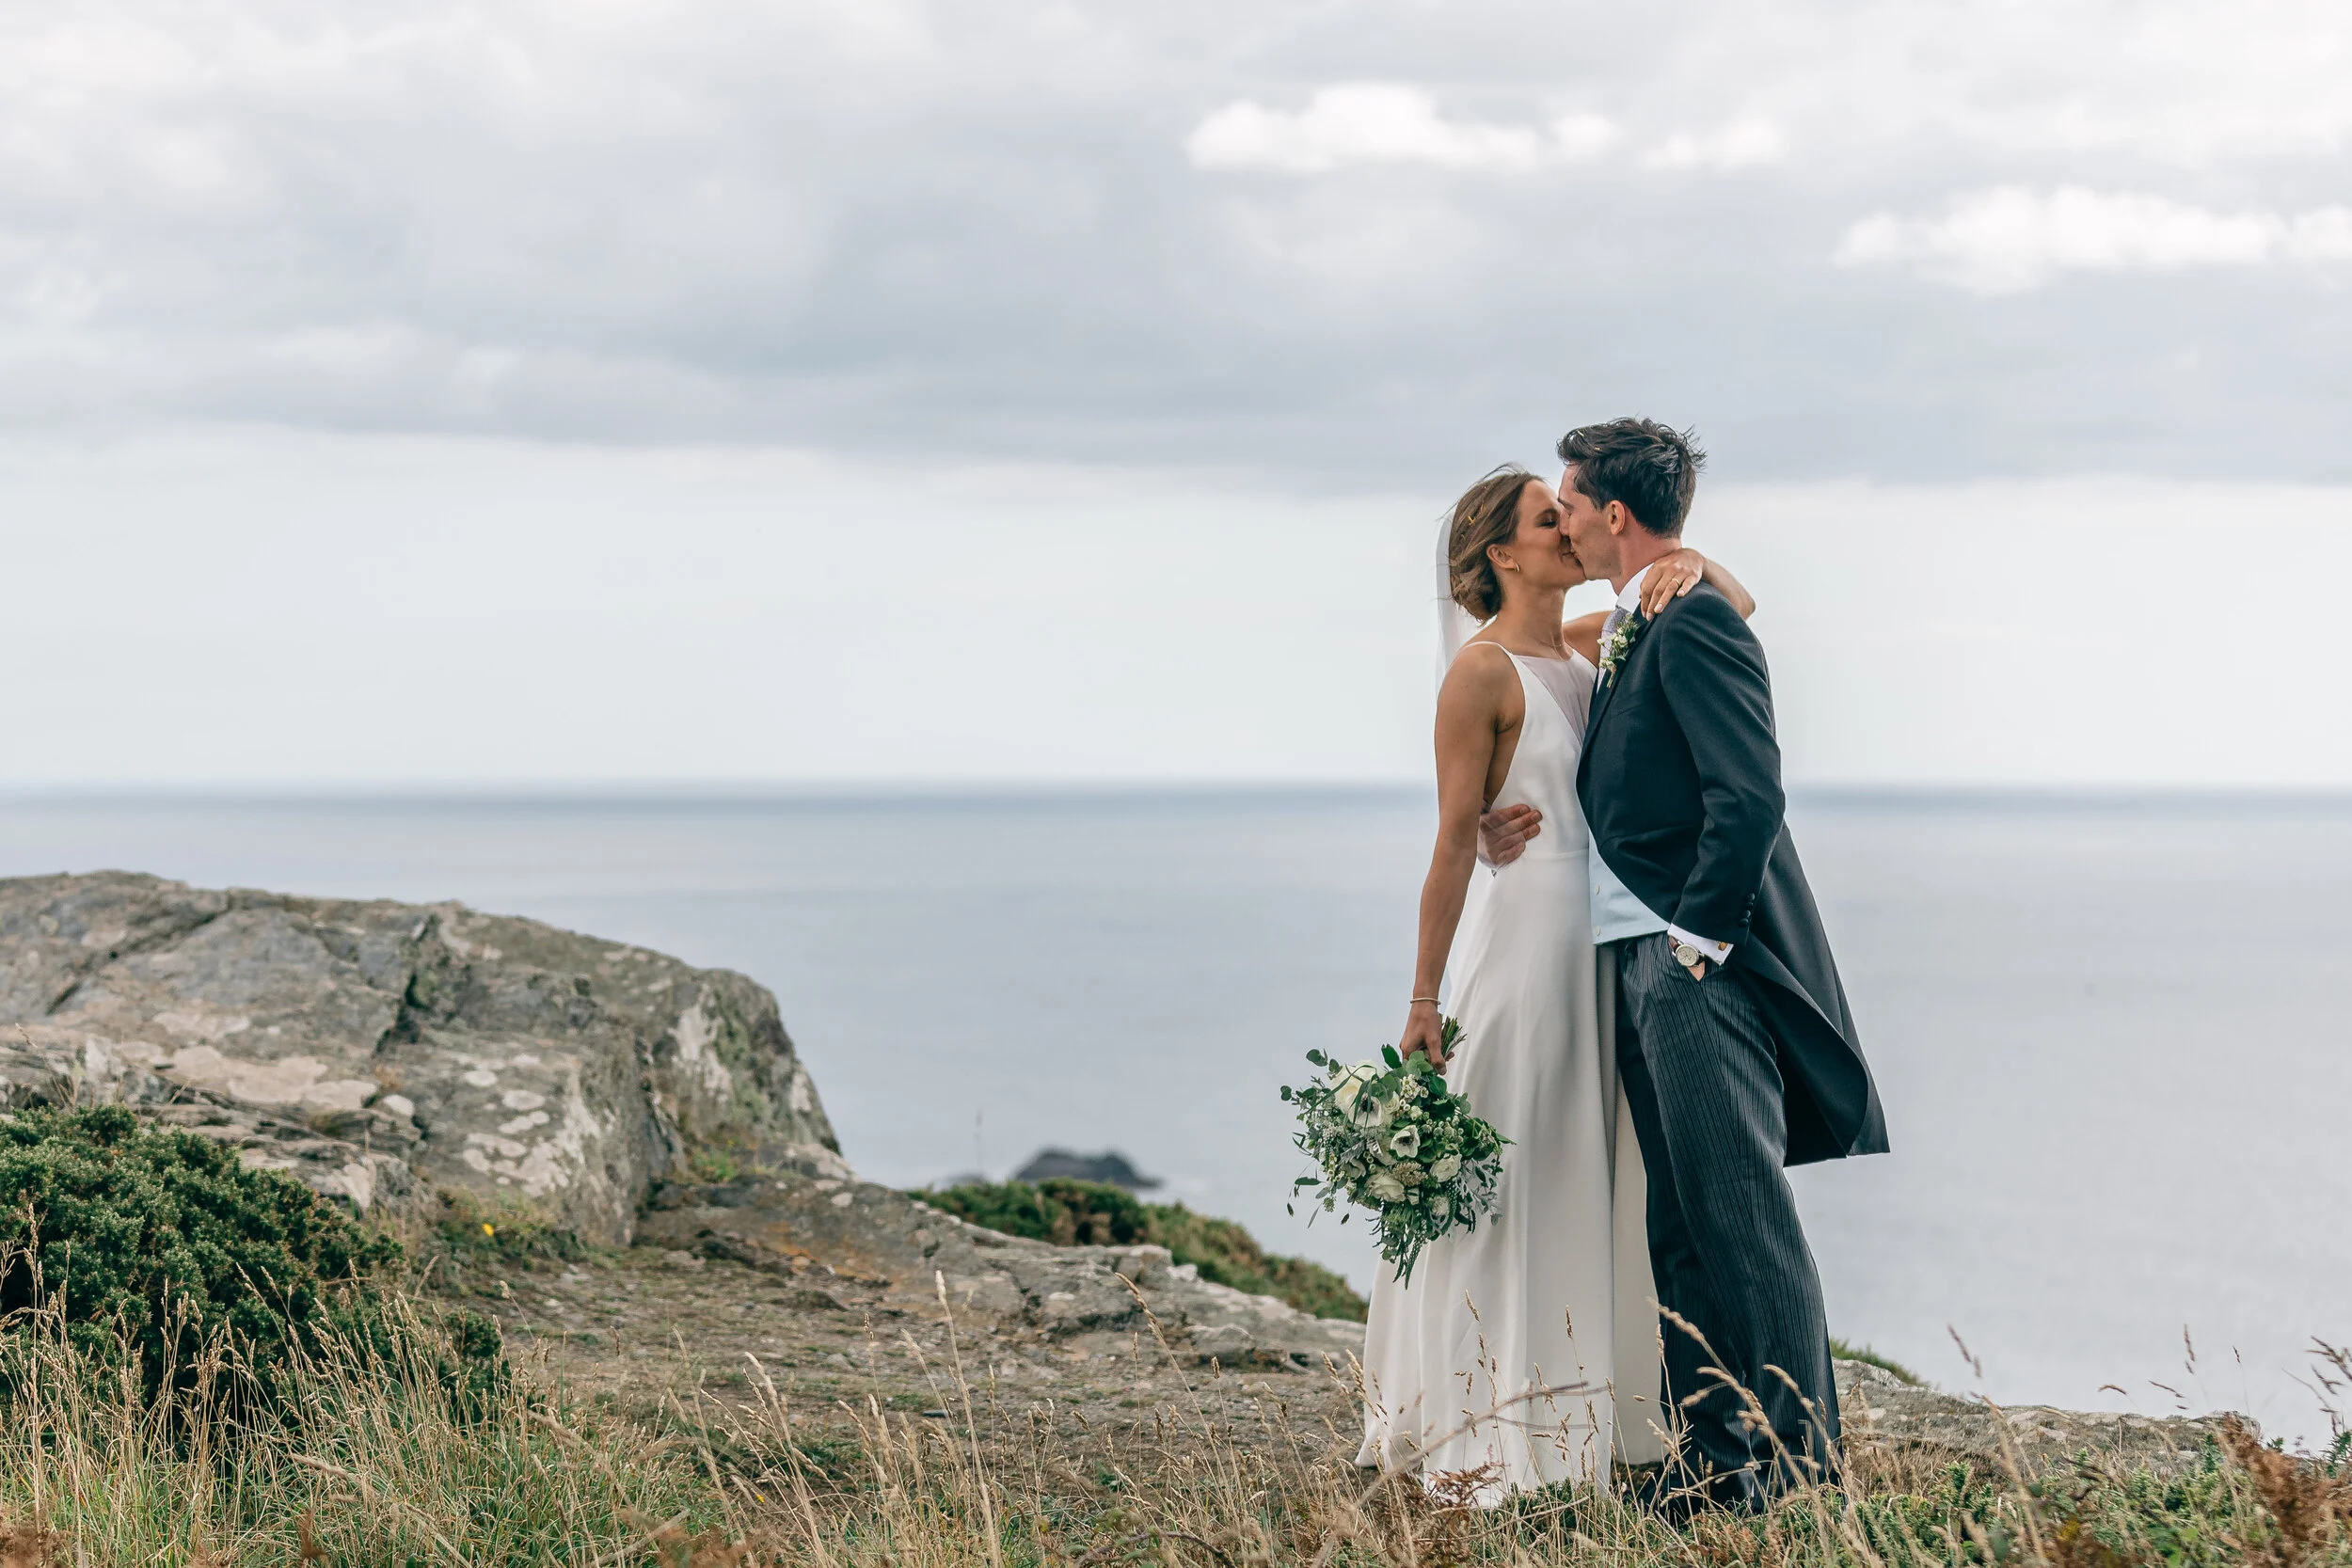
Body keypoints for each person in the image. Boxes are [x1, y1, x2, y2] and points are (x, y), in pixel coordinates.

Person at [1486, 419, 1888, 1512]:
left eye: (1567, 497)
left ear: (1612, 512)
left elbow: (1748, 794)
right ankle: (1714, 1456)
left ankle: (1800, 1470)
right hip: (1631, 960)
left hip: (1688, 964)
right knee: (1680, 1221)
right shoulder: (1631, 616)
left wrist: (1695, 942)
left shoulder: (1691, 617)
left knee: (1740, 1216)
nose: (1560, 513)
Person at [1355, 465, 1756, 1500]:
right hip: (1528, 947)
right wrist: (1419, 1002)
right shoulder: (1480, 673)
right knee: (1515, 1181)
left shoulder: (1589, 650)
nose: (1569, 533)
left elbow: (1739, 606)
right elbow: (1450, 845)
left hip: (1606, 951)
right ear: (1501, 554)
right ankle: (1486, 1423)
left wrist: (1690, 562)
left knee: (1594, 1172)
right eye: (1547, 521)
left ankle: (1591, 1421)